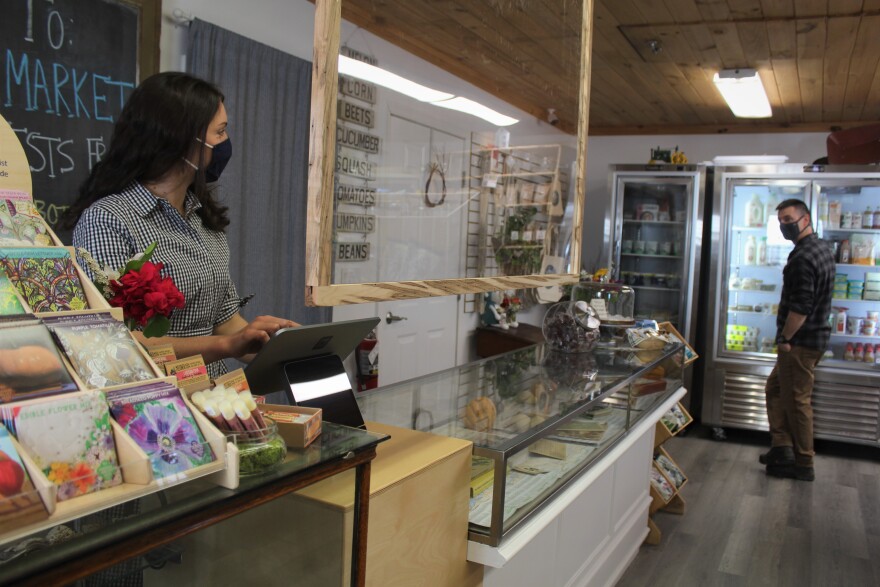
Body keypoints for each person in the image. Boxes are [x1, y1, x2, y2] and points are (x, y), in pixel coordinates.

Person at [62, 72, 298, 378]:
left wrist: (278, 348)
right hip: (158, 401)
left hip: (214, 397)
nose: (225, 143)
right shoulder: (108, 220)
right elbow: (116, 342)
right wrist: (227, 344)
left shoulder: (203, 219)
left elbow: (225, 321)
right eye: (220, 132)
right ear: (182, 139)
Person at [760, 198, 834, 482]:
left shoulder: (802, 258)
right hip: (813, 339)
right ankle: (782, 449)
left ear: (805, 219)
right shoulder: (821, 247)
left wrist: (785, 338)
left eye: (789, 219)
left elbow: (801, 307)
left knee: (797, 400)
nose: (784, 225)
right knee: (775, 389)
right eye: (780, 221)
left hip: (799, 344)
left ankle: (804, 462)